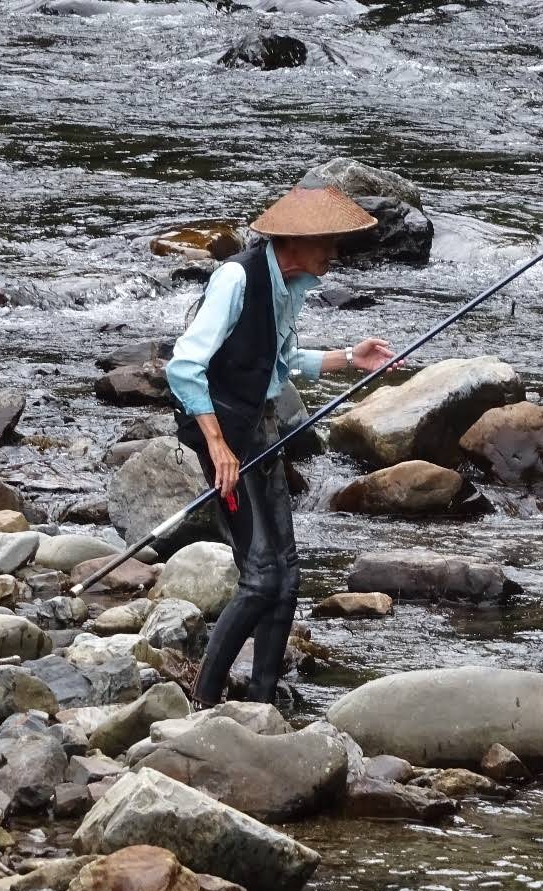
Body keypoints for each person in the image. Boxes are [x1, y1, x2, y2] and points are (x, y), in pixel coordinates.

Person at [165, 185, 396, 707]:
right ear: (297, 240)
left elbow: (281, 361)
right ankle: (203, 698)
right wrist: (219, 447)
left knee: (288, 575)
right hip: (225, 436)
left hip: (261, 427)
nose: (334, 254)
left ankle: (263, 702)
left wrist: (348, 358)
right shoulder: (236, 278)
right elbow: (183, 367)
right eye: (328, 243)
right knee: (261, 575)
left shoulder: (289, 285)